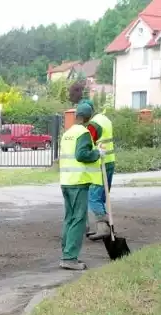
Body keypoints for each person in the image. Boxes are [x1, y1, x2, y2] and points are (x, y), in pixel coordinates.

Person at [59, 103, 105, 271]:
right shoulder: (84, 133)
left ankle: (66, 253)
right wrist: (97, 153)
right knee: (78, 219)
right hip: (78, 183)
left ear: (77, 115)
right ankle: (70, 258)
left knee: (69, 218)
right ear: (89, 117)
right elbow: (81, 155)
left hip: (66, 181)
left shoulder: (68, 133)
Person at [82, 99, 115, 241]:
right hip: (110, 161)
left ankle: (104, 228)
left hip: (100, 163)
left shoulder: (93, 125)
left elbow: (88, 144)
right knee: (102, 196)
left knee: (93, 197)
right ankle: (106, 226)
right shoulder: (104, 119)